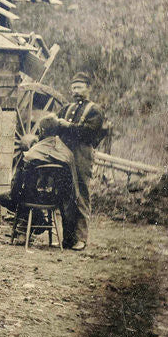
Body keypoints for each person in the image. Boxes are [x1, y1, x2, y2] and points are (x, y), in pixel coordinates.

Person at [54, 72, 105, 251]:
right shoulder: (66, 108)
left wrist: (68, 126)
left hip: (82, 154)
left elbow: (90, 133)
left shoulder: (94, 110)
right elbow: (55, 127)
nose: (76, 91)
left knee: (81, 194)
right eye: (74, 87)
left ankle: (81, 239)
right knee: (65, 195)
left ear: (88, 88)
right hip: (64, 154)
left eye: (80, 87)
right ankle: (67, 239)